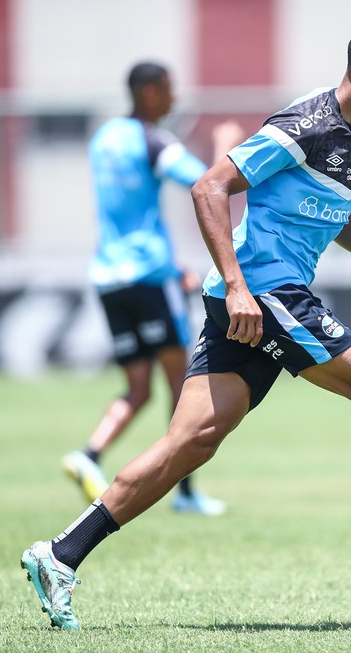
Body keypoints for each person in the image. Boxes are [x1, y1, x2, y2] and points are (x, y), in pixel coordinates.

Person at [20, 17, 351, 632]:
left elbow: (337, 208)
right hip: (262, 292)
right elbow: (209, 188)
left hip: (263, 300)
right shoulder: (301, 126)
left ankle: (60, 555)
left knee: (189, 443)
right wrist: (236, 286)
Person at [60, 61, 242, 516]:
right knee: (185, 388)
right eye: (166, 90)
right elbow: (207, 183)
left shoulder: (104, 139)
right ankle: (184, 493)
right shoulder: (153, 140)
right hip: (147, 277)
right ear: (146, 93)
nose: (173, 99)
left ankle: (89, 454)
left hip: (109, 277)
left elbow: (127, 211)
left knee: (138, 387)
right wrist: (224, 145)